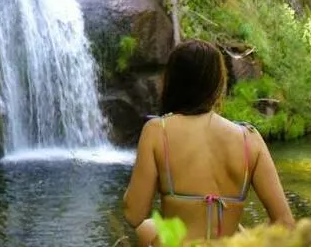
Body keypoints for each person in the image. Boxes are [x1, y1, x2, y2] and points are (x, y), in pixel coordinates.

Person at [122, 39, 295, 246]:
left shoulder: (158, 131)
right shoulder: (250, 138)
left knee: (146, 228)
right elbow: (285, 223)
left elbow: (134, 214)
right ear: (217, 84)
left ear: (172, 82)